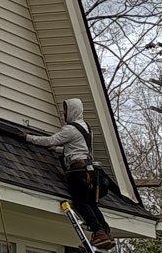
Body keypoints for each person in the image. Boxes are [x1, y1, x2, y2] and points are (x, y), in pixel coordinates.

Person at [27, 98, 113, 250]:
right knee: (91, 203)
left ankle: (98, 232)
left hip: (77, 172)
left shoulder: (70, 129)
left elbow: (50, 140)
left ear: (73, 110)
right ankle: (105, 232)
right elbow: (78, 149)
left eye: (66, 110)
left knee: (80, 203)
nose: (64, 113)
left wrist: (28, 137)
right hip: (90, 171)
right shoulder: (86, 128)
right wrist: (58, 150)